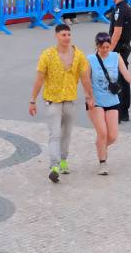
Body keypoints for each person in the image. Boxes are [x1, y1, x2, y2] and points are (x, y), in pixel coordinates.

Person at [29, 24, 93, 183]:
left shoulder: (78, 55)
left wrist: (89, 97)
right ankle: (54, 166)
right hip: (53, 101)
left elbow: (85, 78)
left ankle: (63, 160)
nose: (67, 38)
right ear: (56, 36)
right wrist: (33, 100)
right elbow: (39, 79)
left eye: (68, 35)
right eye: (63, 35)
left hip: (70, 100)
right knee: (55, 134)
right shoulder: (48, 55)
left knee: (67, 134)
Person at [89, 31, 131, 175]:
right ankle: (102, 163)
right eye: (103, 48)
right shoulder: (90, 59)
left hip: (112, 100)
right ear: (97, 46)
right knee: (102, 132)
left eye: (108, 47)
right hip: (96, 101)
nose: (106, 50)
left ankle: (100, 147)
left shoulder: (116, 57)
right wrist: (89, 97)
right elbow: (85, 80)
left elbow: (126, 74)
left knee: (112, 136)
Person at [106, 0, 131, 122]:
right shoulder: (130, 7)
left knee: (116, 79)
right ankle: (124, 112)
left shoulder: (119, 10)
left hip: (117, 48)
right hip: (126, 46)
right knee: (124, 79)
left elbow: (117, 32)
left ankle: (117, 112)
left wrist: (108, 50)